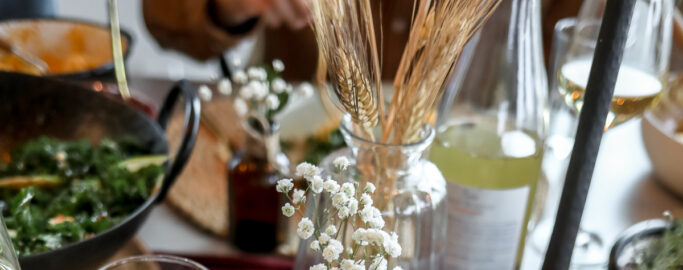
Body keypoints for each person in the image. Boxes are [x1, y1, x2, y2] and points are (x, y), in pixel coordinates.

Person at [142, 0, 586, 78]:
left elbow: (579, 59)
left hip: (473, 174)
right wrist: (228, 6)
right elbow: (164, 18)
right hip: (292, 175)